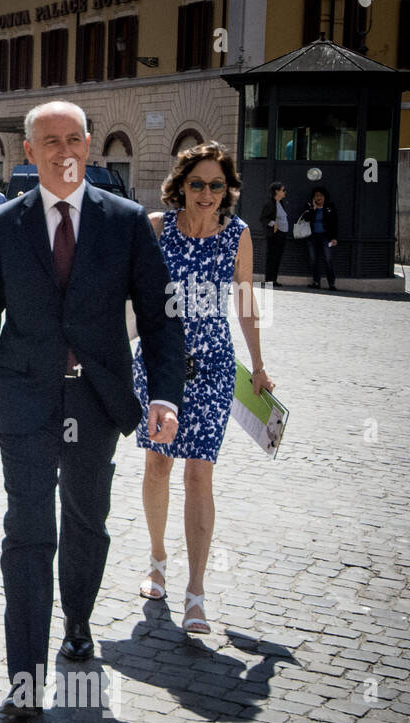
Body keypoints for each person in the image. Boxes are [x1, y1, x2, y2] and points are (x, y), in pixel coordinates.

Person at [0, 100, 184, 718]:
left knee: (87, 521)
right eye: (49, 141)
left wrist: (164, 393)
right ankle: (24, 683)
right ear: (29, 152)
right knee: (28, 532)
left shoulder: (127, 222)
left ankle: (78, 621)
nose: (63, 151)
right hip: (23, 399)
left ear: (89, 146)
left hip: (95, 398)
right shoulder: (3, 225)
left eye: (74, 139)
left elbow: (163, 320)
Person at [135, 141, 274, 635]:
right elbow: (129, 292)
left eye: (218, 185)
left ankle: (196, 592)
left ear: (228, 190)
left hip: (214, 365)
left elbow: (246, 303)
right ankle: (156, 559)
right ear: (181, 186)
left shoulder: (237, 235)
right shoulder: (156, 228)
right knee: (158, 461)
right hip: (160, 362)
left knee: (199, 474)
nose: (208, 193)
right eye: (198, 184)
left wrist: (257, 365)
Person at [302, 186, 339, 291]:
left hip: (326, 237)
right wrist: (313, 208)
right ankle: (316, 282)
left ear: (325, 197)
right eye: (316, 196)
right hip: (312, 236)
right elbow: (306, 218)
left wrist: (334, 238)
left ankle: (331, 283)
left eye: (320, 196)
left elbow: (335, 223)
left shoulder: (330, 207)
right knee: (314, 259)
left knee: (328, 259)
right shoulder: (309, 206)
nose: (318, 198)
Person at [258, 181, 290, 286]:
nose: (285, 192)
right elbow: (263, 218)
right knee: (272, 256)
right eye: (283, 190)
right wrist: (273, 223)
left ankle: (274, 279)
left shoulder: (282, 203)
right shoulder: (270, 203)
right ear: (277, 191)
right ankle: (269, 280)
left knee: (278, 257)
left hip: (282, 234)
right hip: (275, 234)